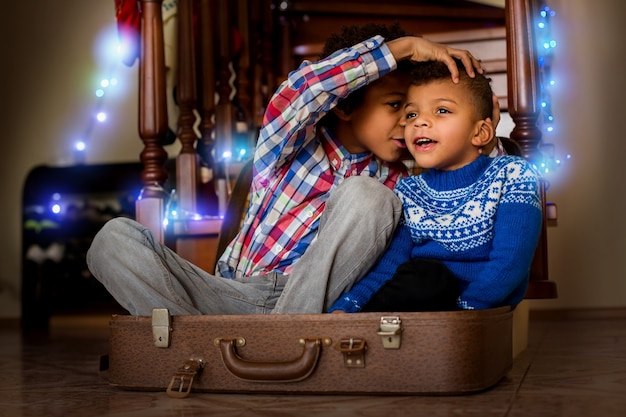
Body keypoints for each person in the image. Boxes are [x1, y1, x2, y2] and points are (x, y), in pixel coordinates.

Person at [87, 24, 487, 316]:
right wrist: (402, 49)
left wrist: (478, 118)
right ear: (345, 107)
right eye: (397, 105)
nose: (410, 122)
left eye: (415, 112)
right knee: (112, 238)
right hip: (231, 294)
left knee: (367, 195)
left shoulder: (400, 182)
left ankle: (279, 339)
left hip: (315, 304)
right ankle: (204, 337)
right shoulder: (290, 144)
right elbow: (306, 90)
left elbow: (464, 173)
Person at [328, 58, 543, 313]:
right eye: (412, 114)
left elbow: (510, 264)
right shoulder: (410, 190)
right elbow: (389, 266)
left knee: (430, 276)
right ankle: (365, 325)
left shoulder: (512, 175)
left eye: (441, 111)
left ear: (481, 133)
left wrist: (464, 311)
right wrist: (346, 308)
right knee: (420, 275)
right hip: (419, 300)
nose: (419, 122)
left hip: (475, 308)